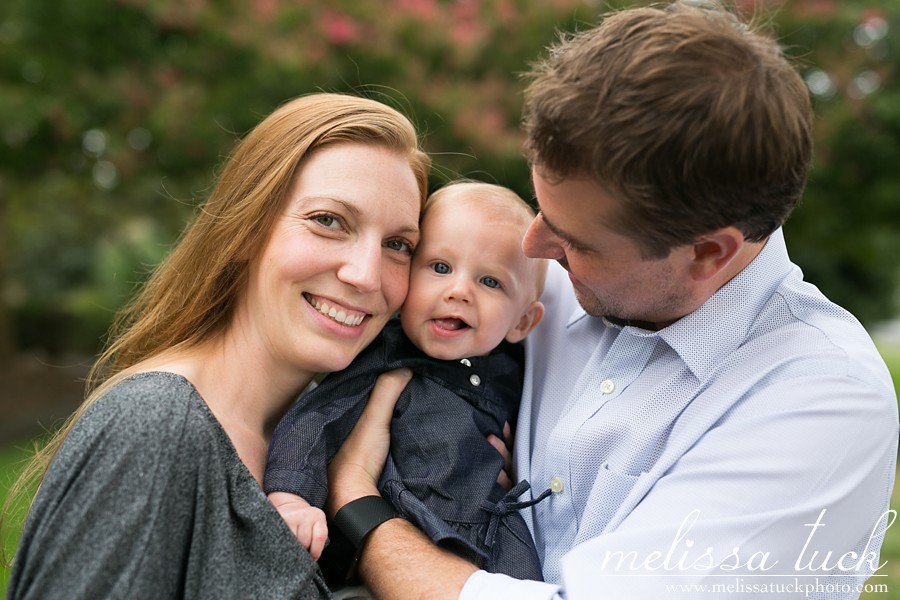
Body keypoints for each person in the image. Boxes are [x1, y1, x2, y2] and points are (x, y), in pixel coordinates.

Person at [323, 3, 899, 599]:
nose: (535, 245)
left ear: (707, 254)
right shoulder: (534, 282)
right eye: (542, 207)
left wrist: (362, 509)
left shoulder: (817, 400)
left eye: (576, 241)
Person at [3, 93, 431, 599]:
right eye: (328, 220)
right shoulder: (155, 425)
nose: (365, 275)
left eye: (397, 245)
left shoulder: (333, 441)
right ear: (246, 228)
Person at [264, 181, 548, 584]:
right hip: (403, 527)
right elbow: (318, 416)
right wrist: (291, 495)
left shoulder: (513, 369)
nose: (459, 292)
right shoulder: (386, 353)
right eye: (440, 268)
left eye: (490, 282)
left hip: (496, 535)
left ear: (522, 322)